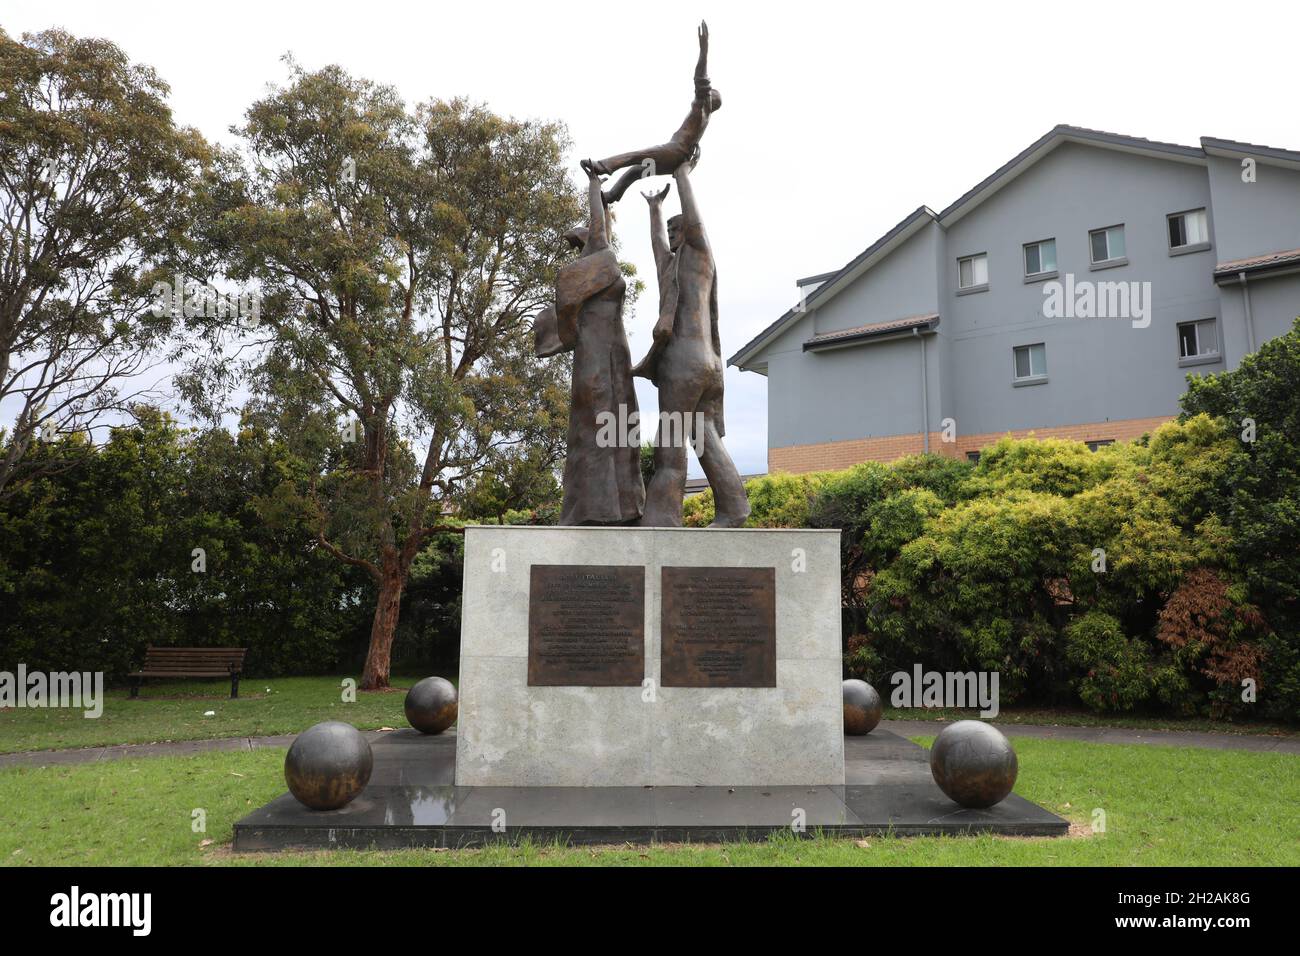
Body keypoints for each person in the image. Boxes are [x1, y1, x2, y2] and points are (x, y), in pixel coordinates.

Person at [633, 161, 749, 528]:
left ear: (688, 231)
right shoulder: (670, 268)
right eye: (669, 229)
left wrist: (681, 173)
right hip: (707, 366)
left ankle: (662, 520)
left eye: (675, 228)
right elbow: (656, 246)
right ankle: (734, 509)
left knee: (670, 441)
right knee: (705, 437)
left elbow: (696, 221)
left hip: (686, 364)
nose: (671, 234)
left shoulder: (699, 253)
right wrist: (655, 209)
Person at [534, 165, 644, 525]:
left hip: (607, 354)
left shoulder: (599, 260)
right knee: (597, 422)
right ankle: (598, 508)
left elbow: (600, 225)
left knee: (611, 422)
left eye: (576, 243)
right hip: (598, 354)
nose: (576, 249)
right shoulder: (592, 272)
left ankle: (616, 508)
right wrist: (603, 185)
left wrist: (596, 183)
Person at [582, 21, 722, 206]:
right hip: (673, 162)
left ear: (710, 98)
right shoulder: (704, 118)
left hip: (672, 152)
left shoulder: (702, 105)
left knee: (637, 155)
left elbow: (701, 78)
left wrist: (704, 50)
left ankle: (603, 165)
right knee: (637, 171)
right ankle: (611, 196)